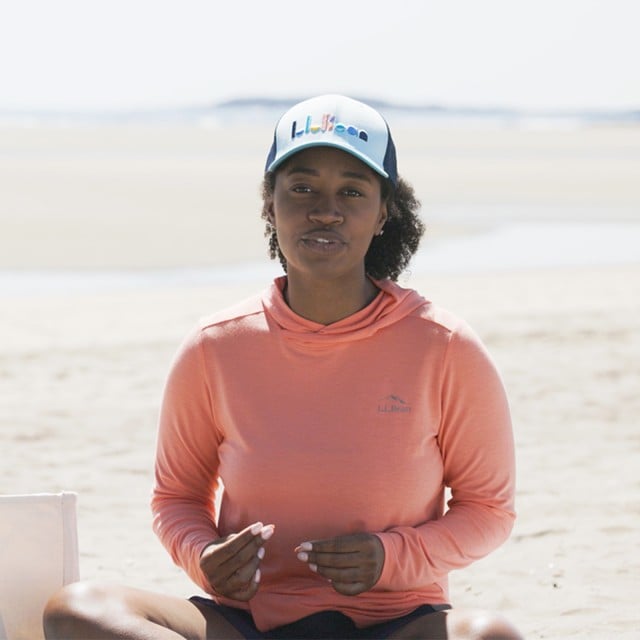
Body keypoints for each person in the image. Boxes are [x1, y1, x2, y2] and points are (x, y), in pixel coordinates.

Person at [44, 95, 521, 639]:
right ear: (270, 203)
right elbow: (176, 498)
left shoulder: (445, 346)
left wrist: (391, 556)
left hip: (393, 621)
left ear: (383, 211)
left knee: (491, 636)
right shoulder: (214, 346)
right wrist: (204, 557)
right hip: (246, 623)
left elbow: (488, 510)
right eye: (301, 188)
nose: (325, 210)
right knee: (78, 609)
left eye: (351, 191)